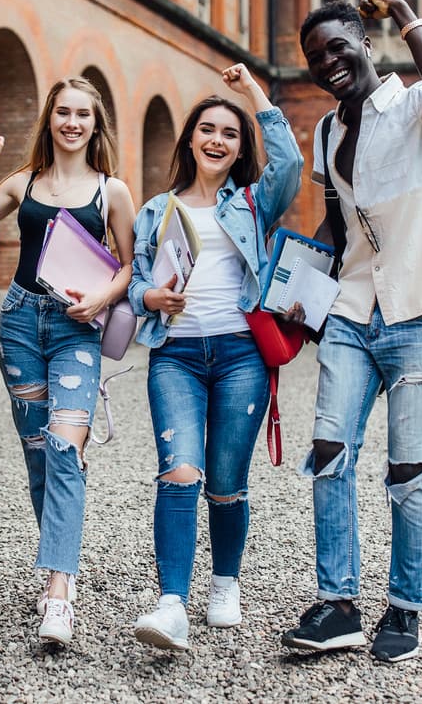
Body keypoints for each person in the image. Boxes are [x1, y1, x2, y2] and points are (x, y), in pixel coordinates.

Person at [280, 0, 422, 663]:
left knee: (409, 469)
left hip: (417, 309)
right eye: (314, 55)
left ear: (365, 42)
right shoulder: (327, 130)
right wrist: (301, 287)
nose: (327, 60)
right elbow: (339, 223)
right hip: (354, 313)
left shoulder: (419, 106)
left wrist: (403, 11)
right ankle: (339, 604)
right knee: (329, 455)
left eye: (337, 45)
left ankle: (405, 607)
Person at [127, 64, 302, 650]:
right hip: (174, 355)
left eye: (229, 133)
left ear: (239, 146)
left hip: (239, 356)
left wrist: (253, 94)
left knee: (226, 481)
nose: (217, 140)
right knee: (179, 472)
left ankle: (224, 583)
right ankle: (171, 602)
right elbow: (132, 284)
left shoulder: (252, 202)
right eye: (207, 129)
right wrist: (149, 295)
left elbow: (293, 166)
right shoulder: (156, 209)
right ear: (190, 139)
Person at [0, 76, 136, 647]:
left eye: (83, 114)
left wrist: (102, 300)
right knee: (39, 455)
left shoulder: (111, 191)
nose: (72, 122)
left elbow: (130, 266)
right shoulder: (25, 183)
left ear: (95, 124)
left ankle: (58, 592)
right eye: (63, 112)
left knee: (65, 449)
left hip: (76, 328)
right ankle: (59, 558)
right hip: (19, 322)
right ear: (51, 119)